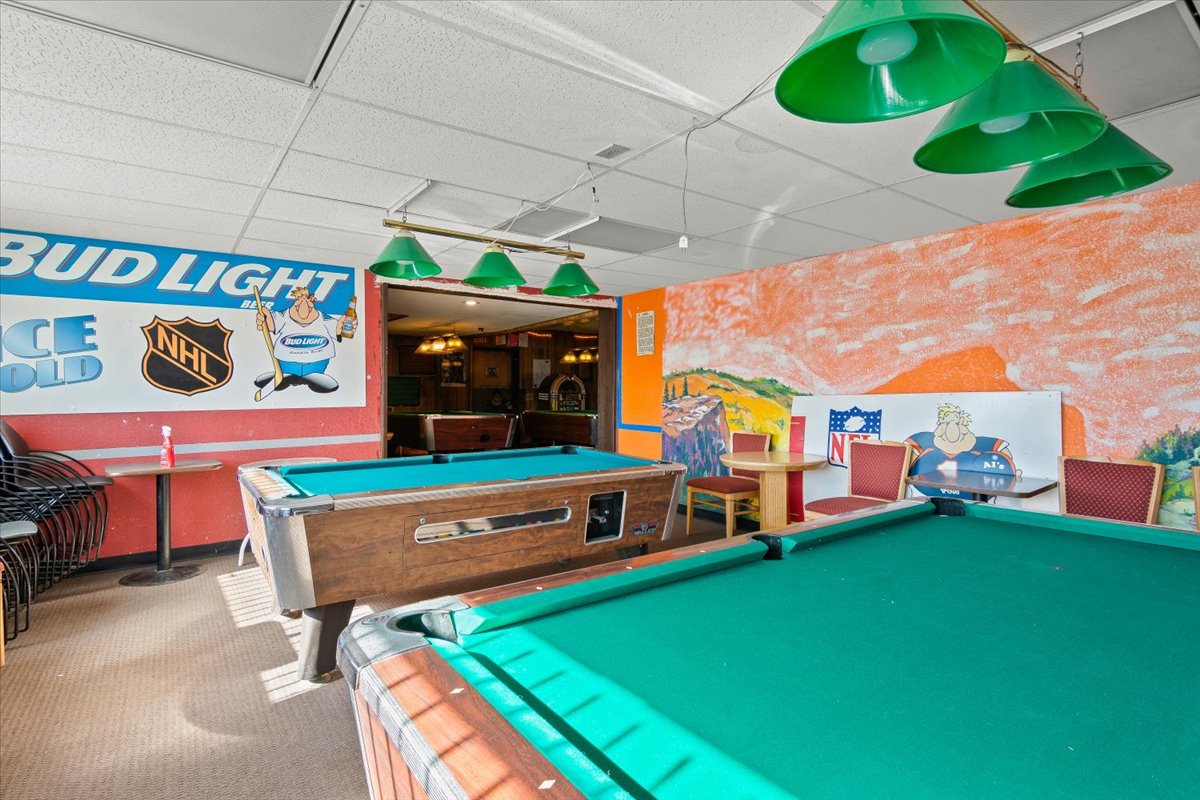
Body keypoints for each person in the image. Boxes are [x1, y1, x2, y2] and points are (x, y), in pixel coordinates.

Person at [253, 286, 356, 393]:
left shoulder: (324, 319)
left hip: (316, 363)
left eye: (306, 299)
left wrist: (345, 327)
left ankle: (315, 376)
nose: (303, 303)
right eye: (299, 299)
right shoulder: (284, 316)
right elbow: (271, 322)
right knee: (286, 371)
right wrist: (265, 320)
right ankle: (284, 376)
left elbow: (337, 329)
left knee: (316, 373)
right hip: (287, 362)